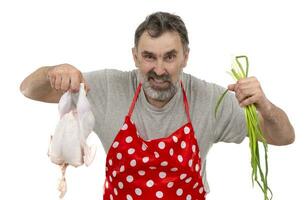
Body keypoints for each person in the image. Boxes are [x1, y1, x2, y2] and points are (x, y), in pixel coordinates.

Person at [20, 11, 295, 199]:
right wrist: (54, 72)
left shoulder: (209, 99)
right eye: (149, 57)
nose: (159, 70)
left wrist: (265, 106)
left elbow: (284, 137)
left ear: (186, 57)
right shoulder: (106, 87)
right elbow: (28, 89)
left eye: (170, 57)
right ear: (135, 57)